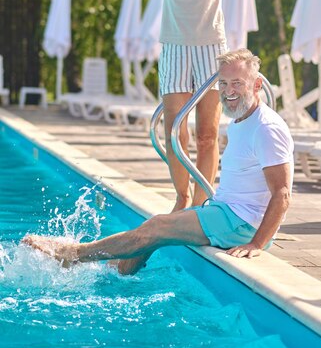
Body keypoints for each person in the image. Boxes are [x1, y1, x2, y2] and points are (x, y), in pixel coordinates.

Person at [66, 0, 313, 211]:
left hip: (212, 52)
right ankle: (182, 199)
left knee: (207, 135)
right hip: (175, 50)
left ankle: (201, 204)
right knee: (174, 133)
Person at [23, 49, 294, 275]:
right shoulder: (241, 119)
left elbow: (282, 194)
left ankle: (73, 253)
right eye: (223, 84)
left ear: (257, 85)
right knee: (155, 229)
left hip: (240, 223)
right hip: (228, 213)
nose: (228, 91)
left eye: (237, 83)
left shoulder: (266, 128)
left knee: (157, 227)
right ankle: (118, 272)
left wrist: (257, 243)